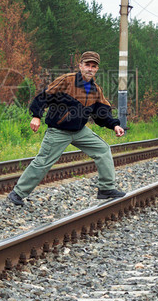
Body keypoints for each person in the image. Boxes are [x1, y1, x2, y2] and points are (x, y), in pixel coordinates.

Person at [7, 51, 126, 206]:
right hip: (58, 131)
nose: (90, 69)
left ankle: (106, 189)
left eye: (93, 66)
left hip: (79, 131)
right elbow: (44, 97)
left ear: (97, 69)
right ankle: (18, 193)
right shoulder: (66, 80)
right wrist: (36, 115)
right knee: (43, 162)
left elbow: (102, 113)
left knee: (103, 149)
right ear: (80, 65)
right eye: (87, 65)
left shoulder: (96, 90)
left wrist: (115, 125)